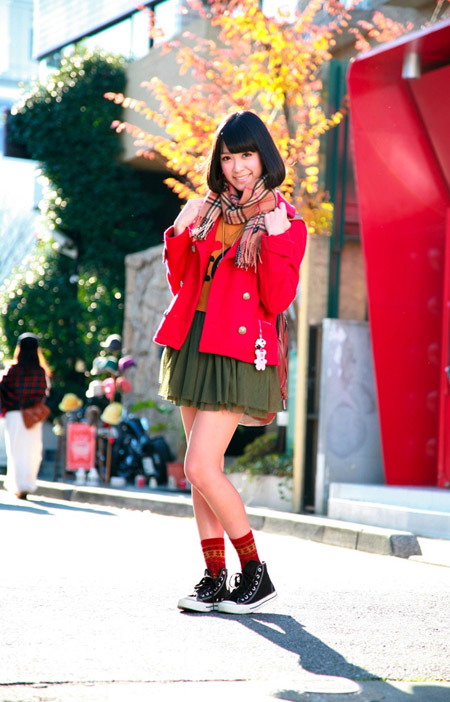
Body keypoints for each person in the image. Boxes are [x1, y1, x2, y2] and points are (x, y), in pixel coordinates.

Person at [154, 111, 307, 614]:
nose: (238, 166)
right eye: (227, 157)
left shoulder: (285, 221)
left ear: (264, 156)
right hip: (193, 341)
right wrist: (180, 231)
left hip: (238, 349)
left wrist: (277, 241)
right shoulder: (208, 211)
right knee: (202, 471)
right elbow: (182, 281)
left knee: (199, 464)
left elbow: (276, 299)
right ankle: (215, 576)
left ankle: (256, 573)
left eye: (246, 154)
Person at [0, 333, 51, 499]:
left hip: (14, 413)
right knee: (32, 450)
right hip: (32, 415)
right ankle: (28, 484)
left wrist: (14, 403)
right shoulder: (40, 371)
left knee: (16, 451)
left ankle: (18, 485)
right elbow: (42, 392)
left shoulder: (13, 369)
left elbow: (3, 389)